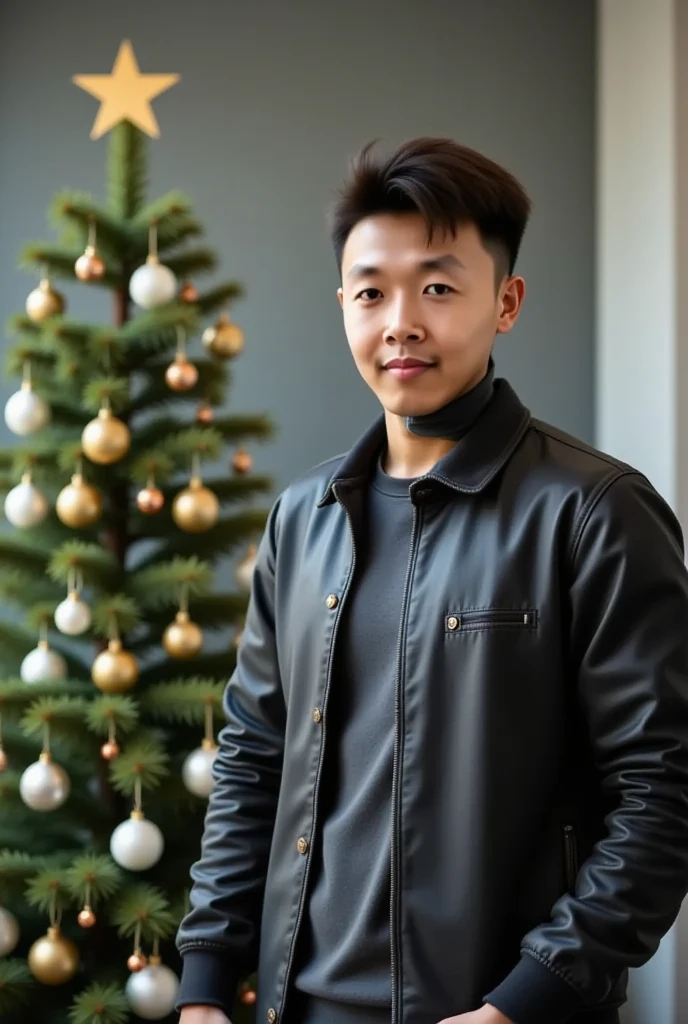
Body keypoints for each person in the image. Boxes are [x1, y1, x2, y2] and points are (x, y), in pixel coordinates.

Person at [175, 137, 688, 1024]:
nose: (400, 322)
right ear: (343, 305)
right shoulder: (305, 519)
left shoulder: (595, 511)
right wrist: (205, 987)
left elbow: (663, 791)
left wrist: (526, 1000)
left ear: (508, 301)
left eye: (439, 287)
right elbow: (254, 759)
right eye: (371, 291)